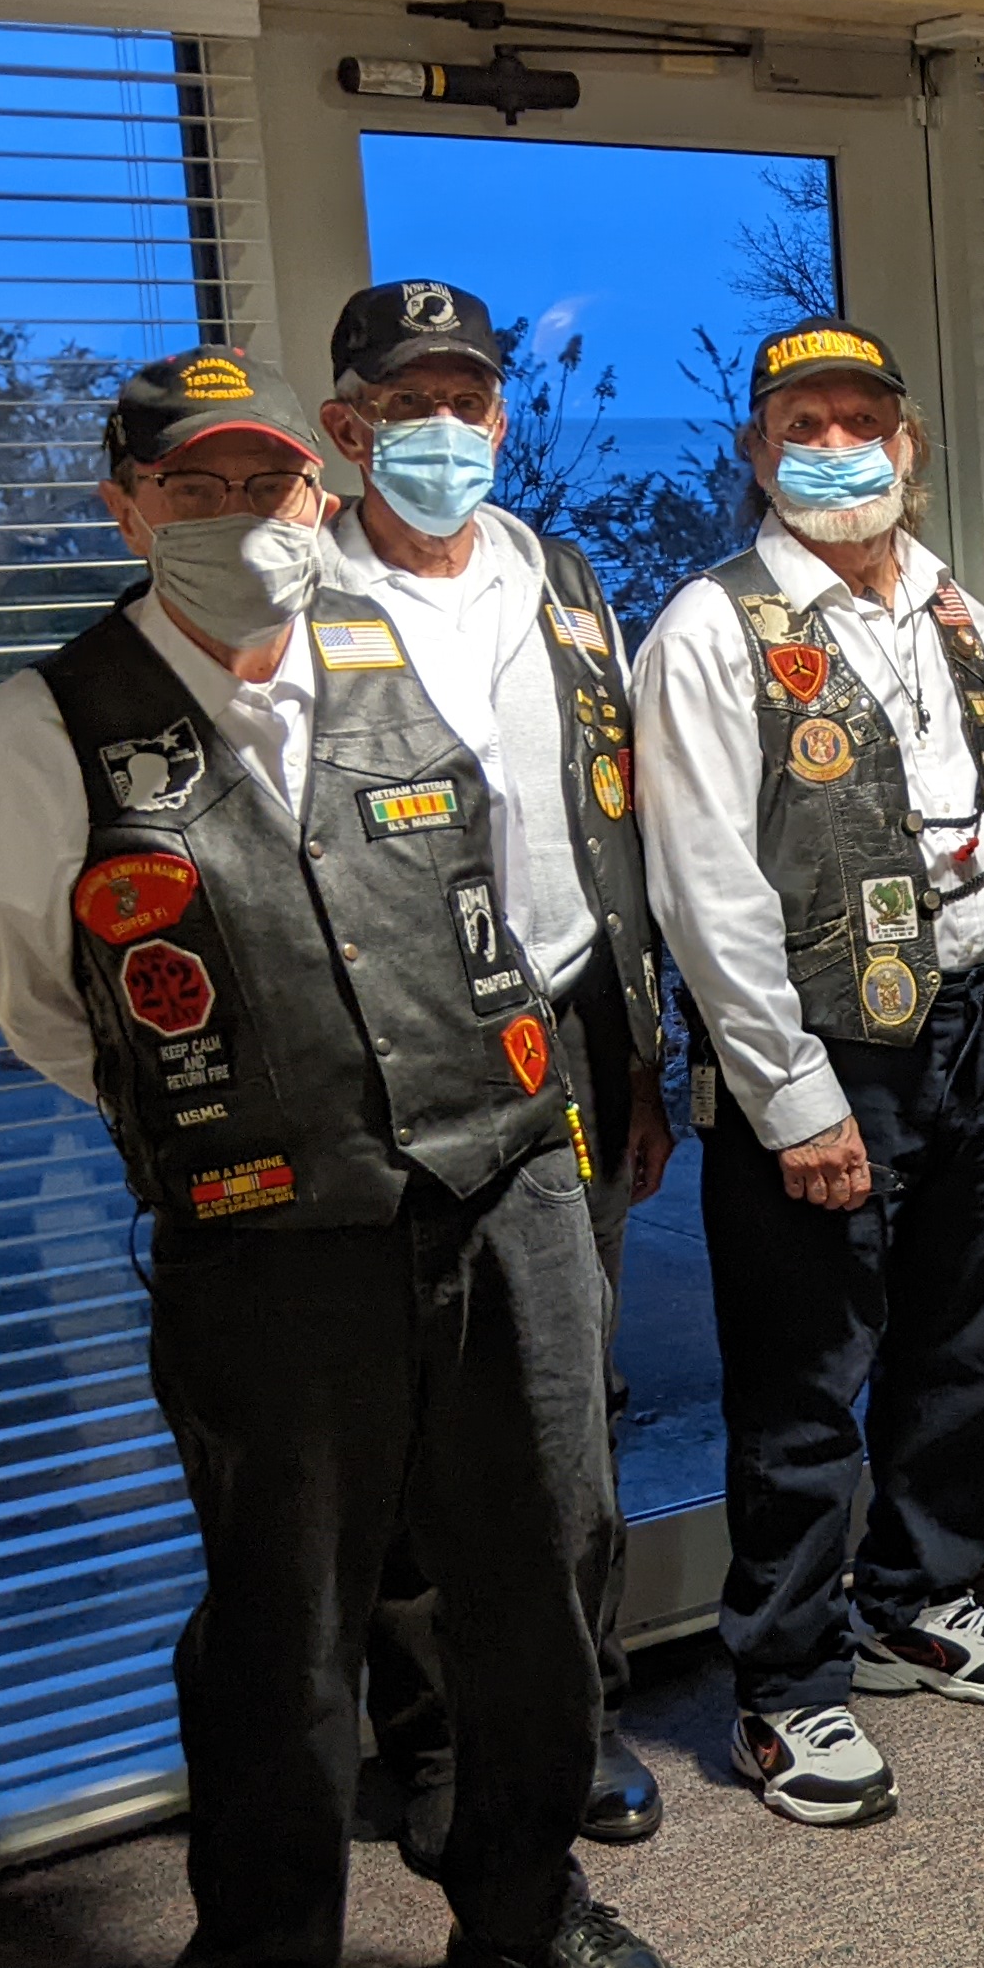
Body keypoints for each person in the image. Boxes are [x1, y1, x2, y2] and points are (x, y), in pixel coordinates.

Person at [0, 347, 677, 1968]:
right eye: (193, 488)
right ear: (127, 507)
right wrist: (252, 1110)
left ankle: (520, 1896)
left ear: (315, 493)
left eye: (268, 485)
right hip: (268, 1241)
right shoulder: (52, 722)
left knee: (543, 1568)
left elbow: (511, 889)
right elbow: (51, 1007)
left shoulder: (398, 642)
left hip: (503, 1189)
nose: (243, 519)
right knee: (284, 1629)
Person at [632, 317, 984, 1828]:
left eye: (859, 422)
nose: (834, 449)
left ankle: (917, 1599)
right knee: (806, 1383)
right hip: (821, 1059)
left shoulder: (958, 609)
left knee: (962, 1345)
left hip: (975, 1031)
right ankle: (784, 1680)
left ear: (908, 445)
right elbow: (703, 889)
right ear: (756, 452)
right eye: (801, 426)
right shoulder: (711, 628)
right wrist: (790, 1094)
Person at [317, 277, 672, 1862]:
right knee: (414, 1413)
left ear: (503, 419)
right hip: (396, 1051)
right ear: (348, 428)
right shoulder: (296, 598)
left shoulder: (563, 581)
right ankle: (442, 1738)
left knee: (573, 1396)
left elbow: (616, 825)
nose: (442, 430)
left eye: (465, 402)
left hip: (572, 1027)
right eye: (408, 406)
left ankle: (574, 1714)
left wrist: (647, 1060)